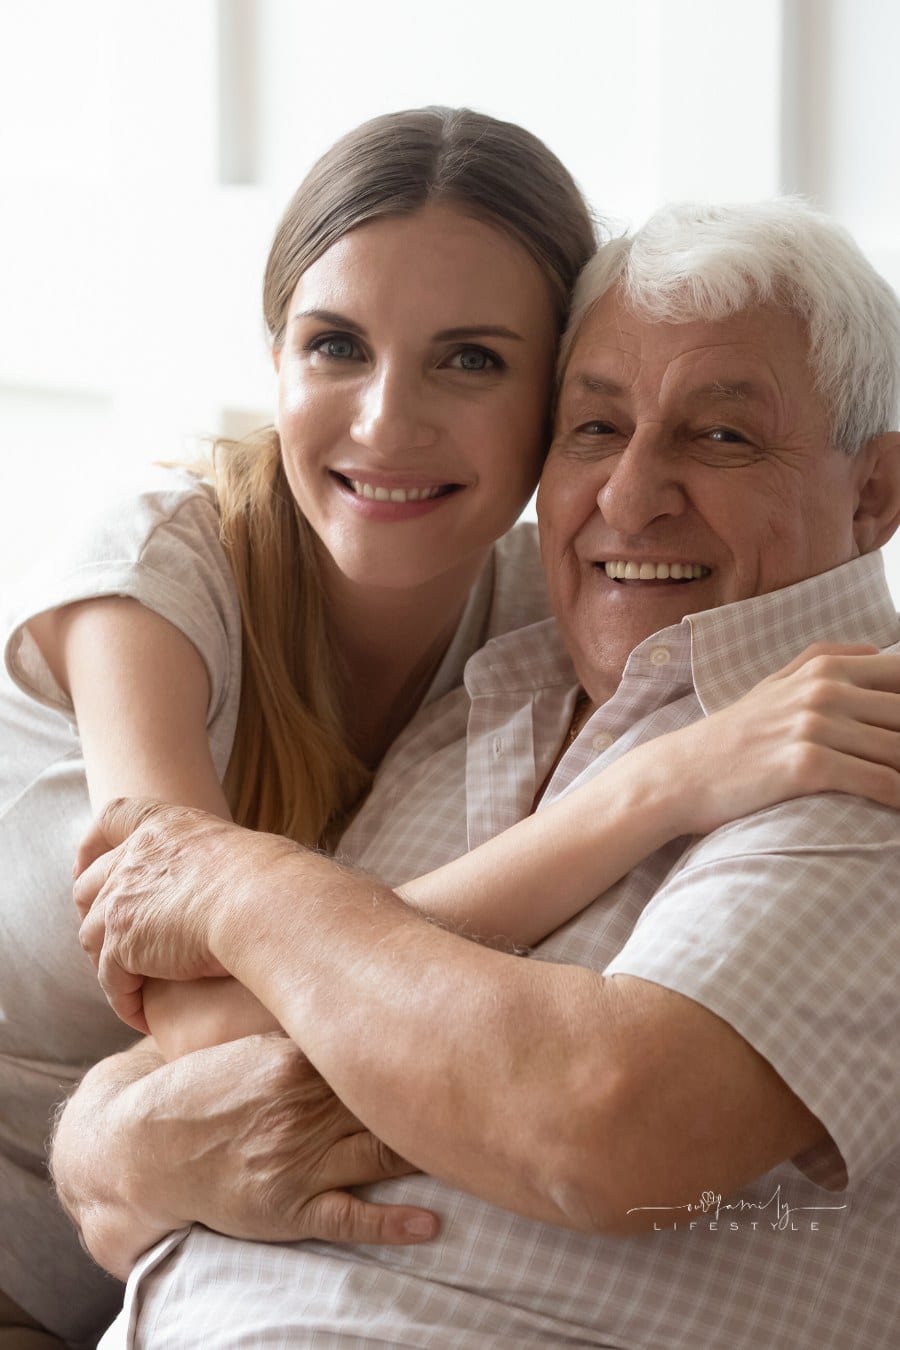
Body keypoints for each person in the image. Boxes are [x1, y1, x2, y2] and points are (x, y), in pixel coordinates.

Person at [1, 106, 873, 1346]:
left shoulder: (562, 604)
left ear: (545, 401)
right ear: (276, 361)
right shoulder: (157, 572)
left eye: (469, 359)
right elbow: (195, 1015)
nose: (386, 424)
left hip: (129, 1263)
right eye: (336, 346)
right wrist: (657, 788)